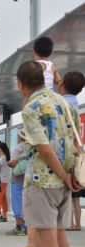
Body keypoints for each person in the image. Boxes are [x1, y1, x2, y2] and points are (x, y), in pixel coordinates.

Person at [15, 61, 79, 247]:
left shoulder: (32, 107)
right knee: (60, 233)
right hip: (66, 181)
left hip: (43, 179)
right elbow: (75, 139)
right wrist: (69, 175)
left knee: (46, 235)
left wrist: (61, 174)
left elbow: (43, 148)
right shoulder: (63, 101)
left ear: (21, 85)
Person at [58, 71, 85, 231]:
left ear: (62, 84)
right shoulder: (74, 103)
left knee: (65, 197)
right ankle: (74, 223)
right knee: (74, 197)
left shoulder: (61, 103)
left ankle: (68, 223)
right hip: (75, 159)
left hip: (63, 159)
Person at [7, 129, 28, 237]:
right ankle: (27, 227)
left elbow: (14, 162)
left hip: (17, 179)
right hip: (28, 179)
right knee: (26, 203)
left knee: (17, 202)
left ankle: (19, 228)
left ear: (21, 137)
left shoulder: (19, 147)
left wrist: (9, 163)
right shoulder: (33, 147)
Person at [0, 142, 11, 223]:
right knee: (3, 198)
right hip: (5, 180)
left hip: (1, 180)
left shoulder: (1, 159)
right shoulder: (6, 158)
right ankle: (4, 215)